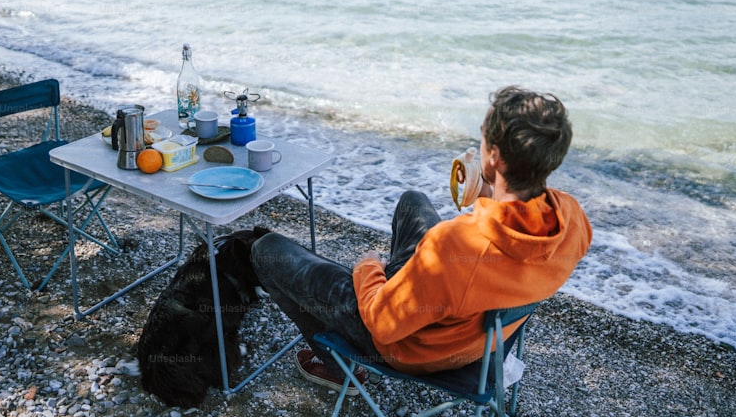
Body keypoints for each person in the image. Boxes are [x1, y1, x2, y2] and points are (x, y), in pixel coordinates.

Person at [250, 86, 592, 392]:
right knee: (412, 200)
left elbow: (382, 326)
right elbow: (500, 255)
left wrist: (369, 267)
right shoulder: (570, 217)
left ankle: (338, 369)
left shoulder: (454, 244)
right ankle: (403, 288)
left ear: (494, 157)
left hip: (412, 349)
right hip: (481, 340)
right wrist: (490, 195)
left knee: (265, 250)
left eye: (484, 138)